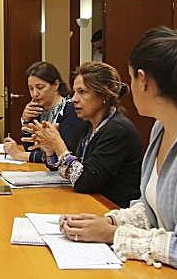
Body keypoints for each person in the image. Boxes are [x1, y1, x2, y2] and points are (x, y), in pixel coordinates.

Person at [58, 27, 177, 279]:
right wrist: (109, 221)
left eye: (131, 78)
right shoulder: (161, 127)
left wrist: (113, 234)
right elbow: (151, 209)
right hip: (173, 275)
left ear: (143, 79)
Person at [25, 62, 143, 207]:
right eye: (74, 92)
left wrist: (58, 144)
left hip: (111, 209)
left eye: (82, 92)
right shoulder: (88, 124)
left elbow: (84, 181)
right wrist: (50, 150)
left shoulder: (117, 130)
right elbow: (67, 169)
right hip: (89, 202)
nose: (74, 99)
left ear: (103, 95)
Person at [3, 62, 89, 162]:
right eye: (31, 89)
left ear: (56, 85)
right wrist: (26, 120)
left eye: (40, 87)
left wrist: (19, 155)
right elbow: (30, 148)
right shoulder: (38, 109)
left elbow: (64, 153)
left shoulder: (71, 109)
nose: (35, 94)